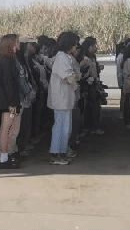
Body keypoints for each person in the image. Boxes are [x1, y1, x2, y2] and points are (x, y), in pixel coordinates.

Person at [47, 32, 79, 165]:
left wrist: (74, 77)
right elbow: (68, 77)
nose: (76, 47)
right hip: (61, 99)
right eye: (75, 44)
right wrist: (75, 77)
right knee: (61, 127)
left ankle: (61, 151)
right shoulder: (62, 58)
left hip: (65, 99)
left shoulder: (66, 57)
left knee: (65, 127)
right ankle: (56, 153)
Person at [0, 34, 23, 169]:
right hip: (9, 101)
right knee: (6, 129)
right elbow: (8, 84)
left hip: (12, 100)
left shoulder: (9, 59)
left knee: (11, 129)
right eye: (17, 41)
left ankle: (5, 156)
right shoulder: (6, 61)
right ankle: (3, 158)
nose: (19, 44)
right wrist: (12, 103)